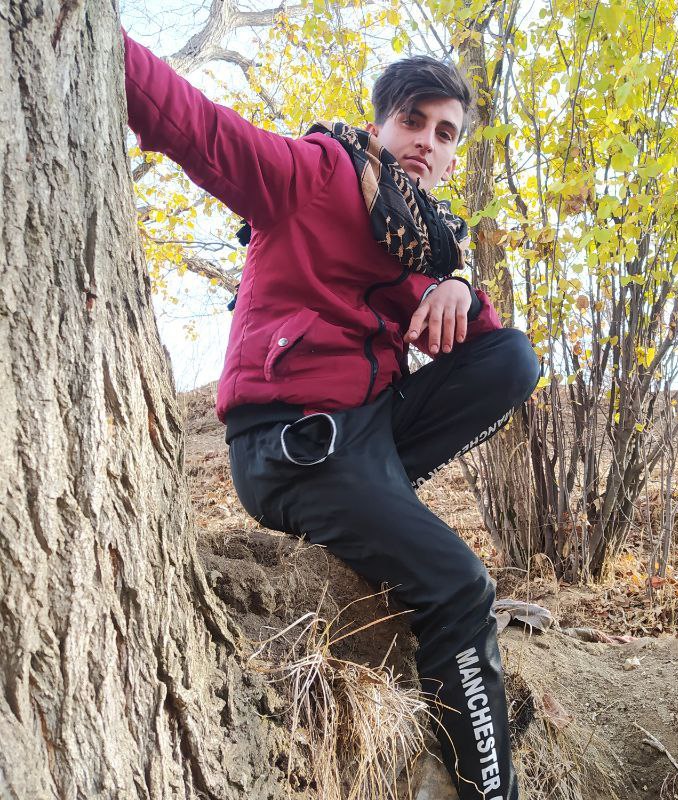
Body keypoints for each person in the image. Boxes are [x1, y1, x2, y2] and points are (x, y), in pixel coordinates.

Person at [123, 29, 539, 800]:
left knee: (515, 357)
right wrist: (106, 47)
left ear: (454, 156)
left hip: (370, 432)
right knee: (459, 586)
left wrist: (456, 286)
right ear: (381, 126)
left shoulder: (423, 243)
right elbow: (203, 130)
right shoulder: (319, 175)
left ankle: (382, 496)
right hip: (294, 443)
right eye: (413, 121)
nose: (427, 141)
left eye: (446, 133)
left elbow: (487, 349)